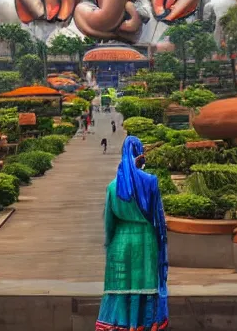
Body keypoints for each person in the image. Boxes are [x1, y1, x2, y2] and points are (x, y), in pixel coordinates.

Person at [96, 136, 168, 331]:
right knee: (145, 286)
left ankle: (119, 325)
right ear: (140, 155)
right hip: (146, 242)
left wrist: (110, 243)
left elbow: (109, 222)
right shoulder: (150, 181)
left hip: (120, 242)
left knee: (121, 287)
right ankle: (143, 325)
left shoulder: (113, 186)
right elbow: (158, 217)